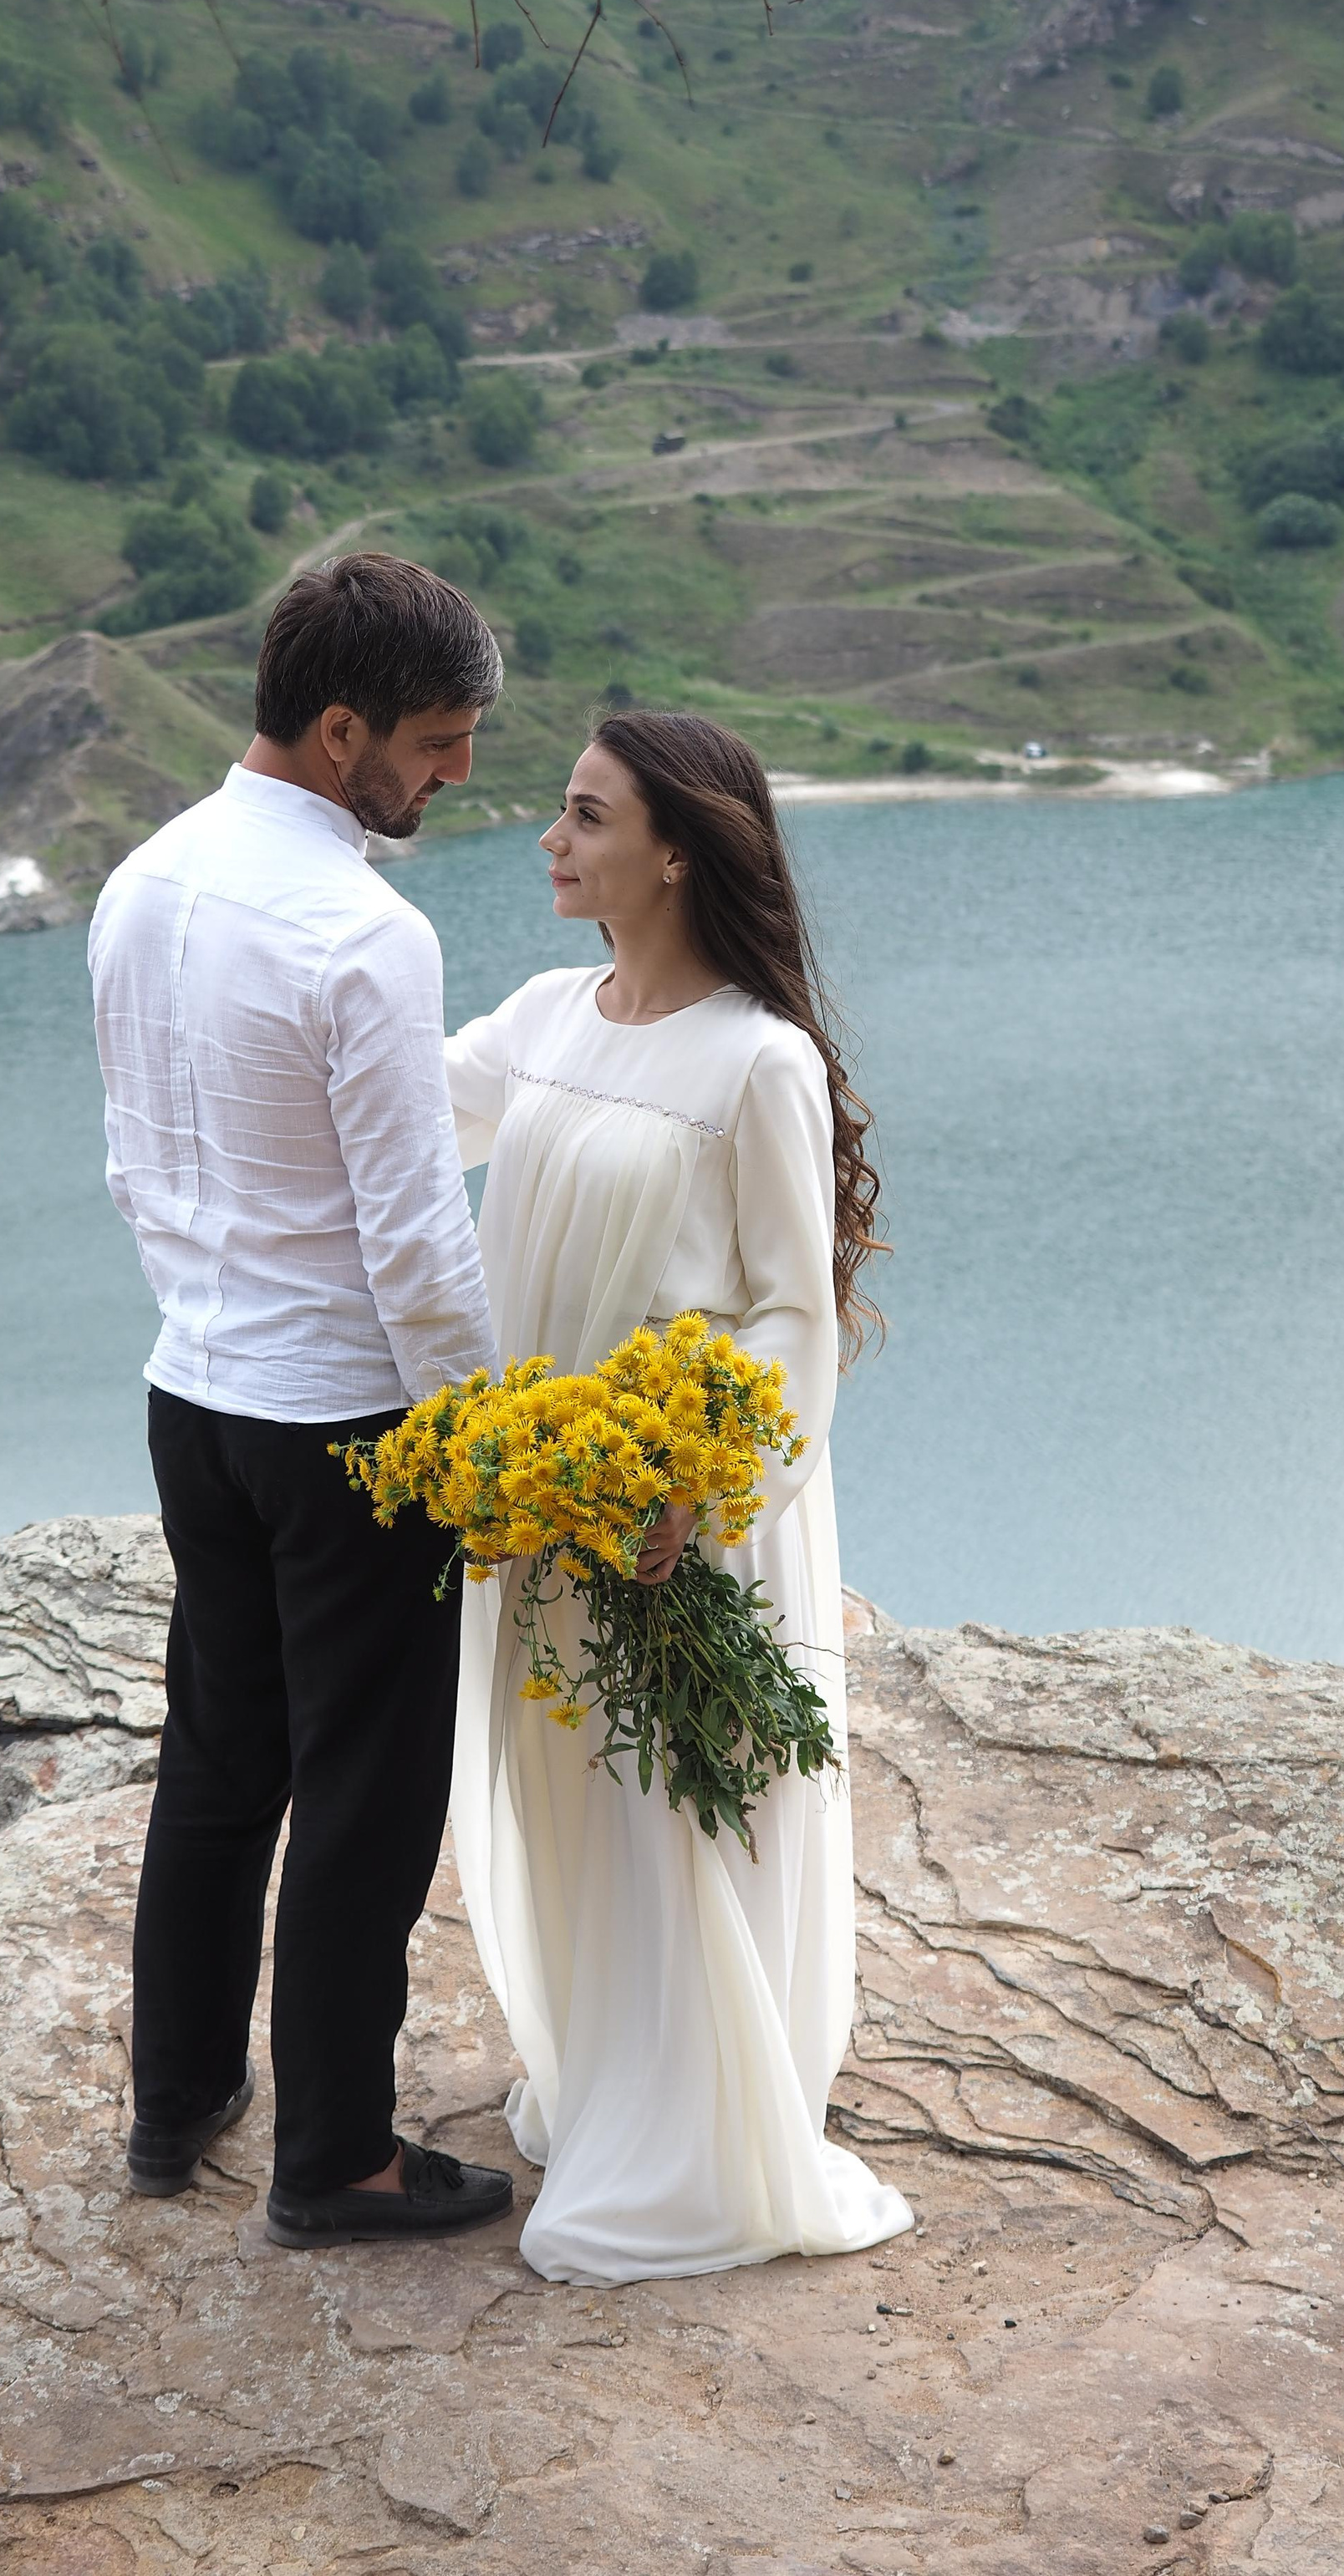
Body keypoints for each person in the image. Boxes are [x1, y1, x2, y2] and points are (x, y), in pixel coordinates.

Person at [443, 709, 914, 2284]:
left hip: (673, 1513)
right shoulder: (542, 1017)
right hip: (548, 1502)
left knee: (680, 1807)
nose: (550, 839)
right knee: (574, 1785)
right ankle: (615, 2077)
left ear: (675, 849)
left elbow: (793, 1310)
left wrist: (706, 1492)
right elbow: (382, 1112)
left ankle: (694, 2137)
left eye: (582, 817)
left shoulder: (758, 1062)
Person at [88, 550, 516, 2249]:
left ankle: (173, 2101)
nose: (454, 774)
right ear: (338, 729)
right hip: (348, 1427)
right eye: (432, 739)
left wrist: (211, 1306)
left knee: (217, 1761)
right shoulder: (362, 932)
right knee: (365, 1789)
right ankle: (334, 2159)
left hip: (192, 1392)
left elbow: (130, 1162)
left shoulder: (140, 879)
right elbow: (417, 1246)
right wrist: (483, 1450)